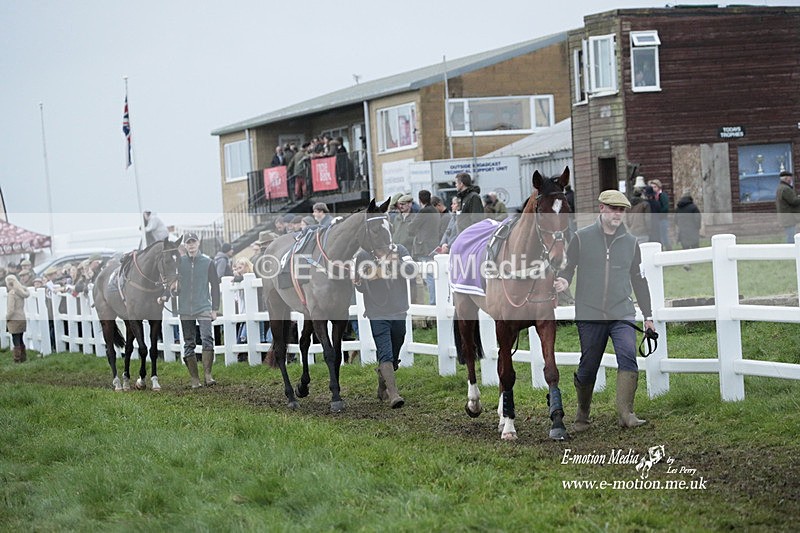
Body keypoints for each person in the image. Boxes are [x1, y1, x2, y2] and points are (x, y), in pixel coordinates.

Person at [554, 190, 654, 432]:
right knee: (588, 365)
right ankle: (582, 415)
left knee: (628, 354)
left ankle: (626, 413)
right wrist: (564, 281)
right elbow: (568, 267)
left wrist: (648, 316)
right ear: (601, 209)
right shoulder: (581, 237)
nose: (618, 214)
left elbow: (639, 280)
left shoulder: (631, 243)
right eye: (613, 209)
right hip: (590, 313)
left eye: (621, 210)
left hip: (622, 312)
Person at [353, 244, 416, 408]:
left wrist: (394, 263)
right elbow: (359, 286)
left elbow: (411, 270)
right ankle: (393, 394)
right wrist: (363, 279)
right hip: (377, 311)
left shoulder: (400, 250)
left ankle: (383, 383)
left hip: (399, 309)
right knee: (385, 351)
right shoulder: (363, 255)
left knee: (395, 349)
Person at [177, 232, 221, 388]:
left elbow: (215, 286)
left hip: (203, 306)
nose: (191, 245)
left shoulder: (208, 262)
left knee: (207, 337)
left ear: (198, 242)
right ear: (185, 245)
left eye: (193, 241)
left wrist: (215, 308)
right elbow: (170, 282)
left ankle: (208, 375)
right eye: (188, 242)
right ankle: (195, 379)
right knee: (189, 343)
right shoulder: (179, 263)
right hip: (185, 308)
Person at [408, 190, 440, 304]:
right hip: (434, 247)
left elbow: (411, 228)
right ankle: (436, 302)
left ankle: (433, 304)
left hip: (424, 248)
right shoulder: (435, 211)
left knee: (429, 278)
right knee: (435, 277)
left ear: (420, 199)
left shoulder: (423, 211)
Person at [232, 256, 254, 362]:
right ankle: (242, 355)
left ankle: (243, 356)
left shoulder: (251, 277)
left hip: (249, 311)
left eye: (240, 268)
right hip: (243, 311)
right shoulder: (239, 281)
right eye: (237, 268)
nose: (237, 271)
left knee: (243, 336)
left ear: (246, 267)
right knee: (242, 334)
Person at [5, 274, 30, 362]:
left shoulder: (11, 294)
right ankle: (23, 357)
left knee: (15, 340)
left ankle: (17, 359)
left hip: (14, 319)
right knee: (20, 338)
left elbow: (11, 310)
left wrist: (7, 318)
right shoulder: (20, 292)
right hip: (22, 317)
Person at [776, 170, 800, 243]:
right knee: (791, 237)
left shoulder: (780, 187)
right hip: (789, 218)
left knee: (790, 235)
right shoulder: (786, 189)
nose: (791, 180)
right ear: (786, 179)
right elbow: (793, 201)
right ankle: (791, 252)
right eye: (790, 178)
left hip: (785, 217)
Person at [648, 179, 671, 251]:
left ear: (658, 187)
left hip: (662, 219)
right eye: (652, 187)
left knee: (664, 236)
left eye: (655, 187)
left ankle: (668, 250)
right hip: (656, 220)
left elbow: (665, 208)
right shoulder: (653, 196)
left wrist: (659, 213)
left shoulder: (662, 195)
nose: (653, 189)